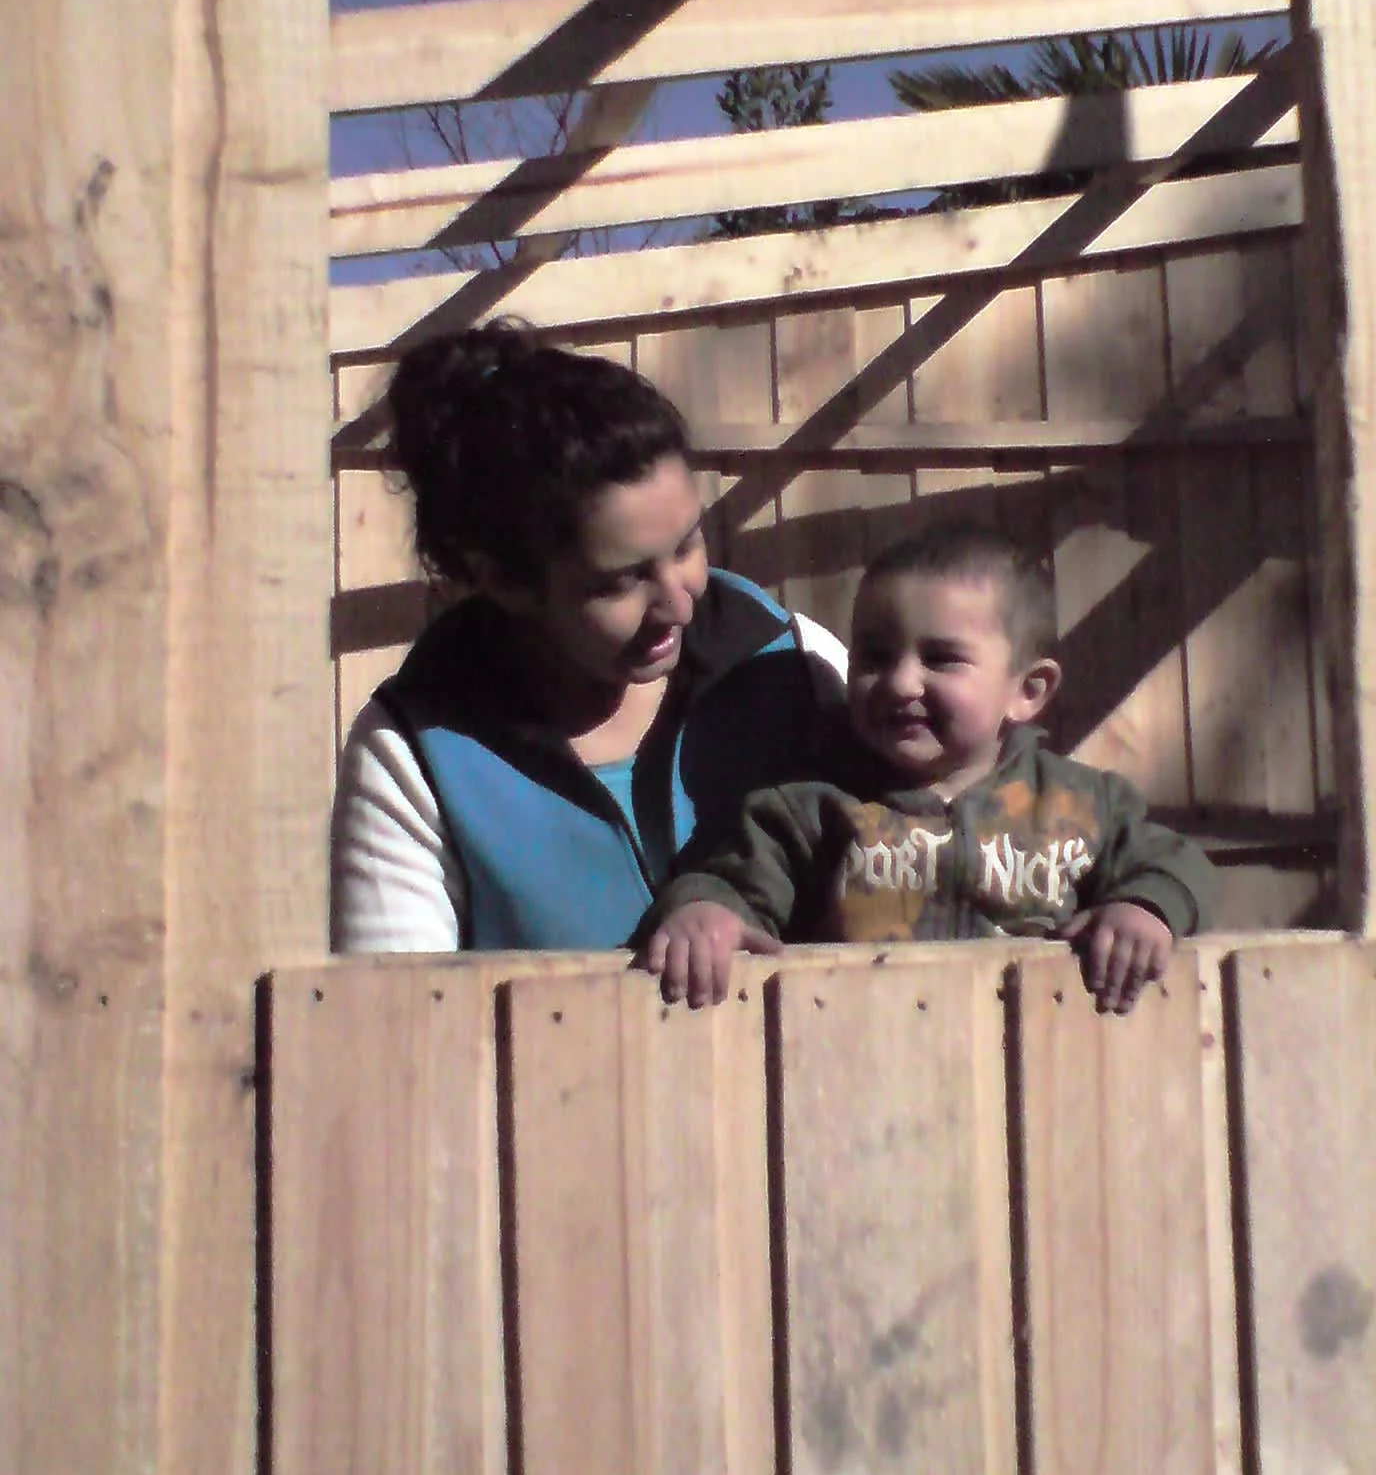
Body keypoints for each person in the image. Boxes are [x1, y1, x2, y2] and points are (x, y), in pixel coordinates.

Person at [330, 322, 847, 974]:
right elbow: (397, 1028)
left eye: (687, 545)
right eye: (620, 581)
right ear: (501, 579)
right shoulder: (414, 756)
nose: (681, 601)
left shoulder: (796, 665)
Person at [641, 521, 1214, 1014]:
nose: (900, 682)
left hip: (1035, 1072)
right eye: (875, 656)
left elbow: (1175, 864)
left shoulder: (1082, 805)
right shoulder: (808, 807)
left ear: (1028, 690)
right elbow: (727, 877)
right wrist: (702, 912)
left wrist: (1142, 910)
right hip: (858, 1063)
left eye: (940, 659)